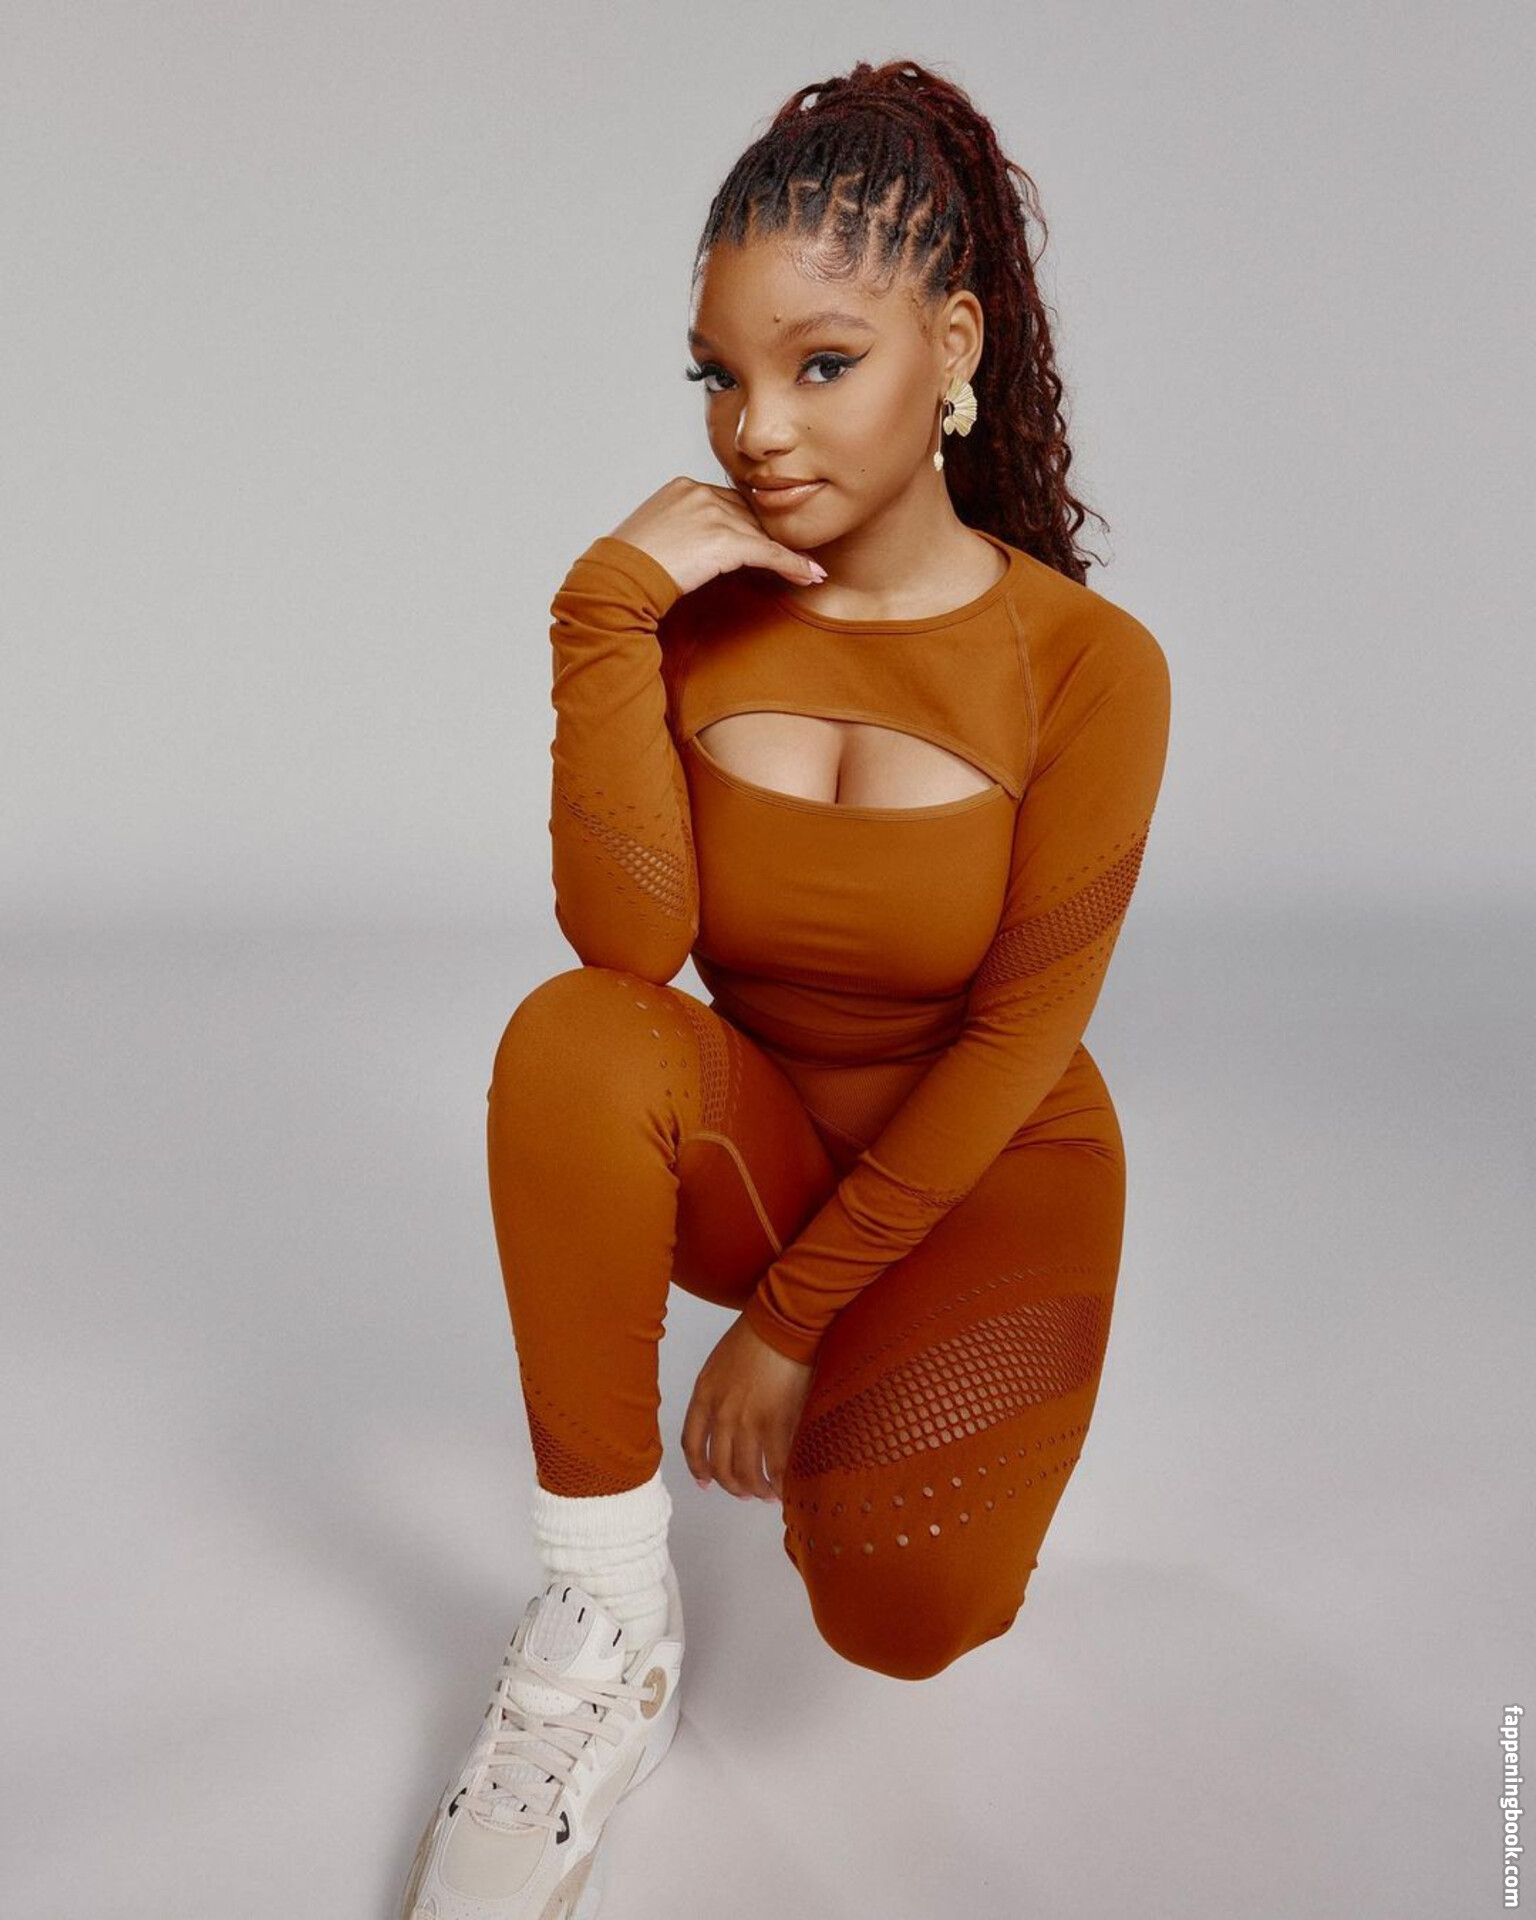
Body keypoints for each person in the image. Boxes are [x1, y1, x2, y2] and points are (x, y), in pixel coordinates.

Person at [398, 55, 1172, 1920]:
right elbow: (626, 956)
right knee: (569, 1041)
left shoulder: (1089, 666)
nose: (755, 430)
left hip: (989, 1170)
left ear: (952, 346)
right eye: (718, 376)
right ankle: (604, 1622)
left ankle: (896, 1401)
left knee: (906, 1610)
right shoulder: (699, 617)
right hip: (773, 1150)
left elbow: (1021, 1041)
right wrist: (603, 611)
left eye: (821, 365)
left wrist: (793, 1331)